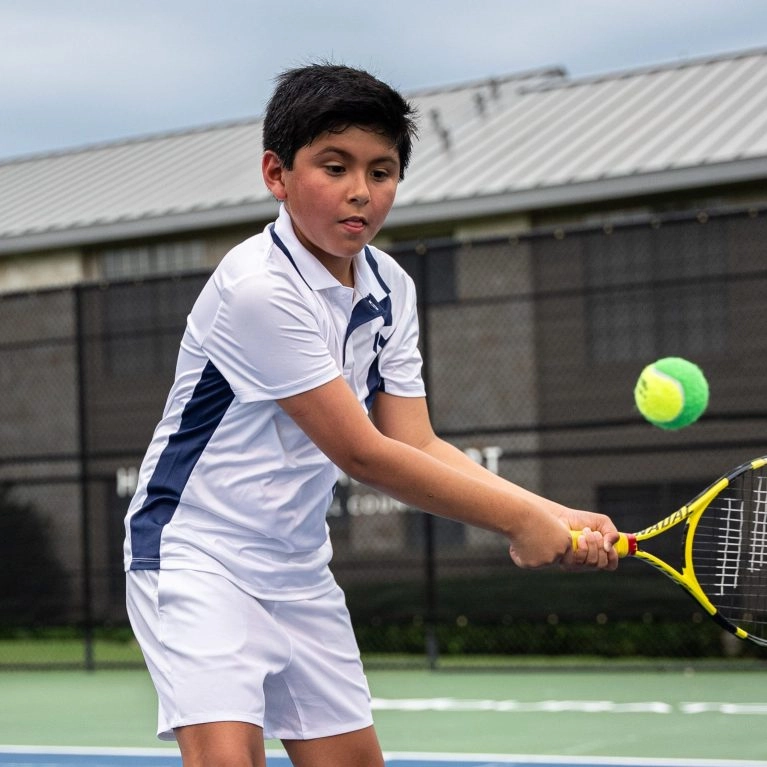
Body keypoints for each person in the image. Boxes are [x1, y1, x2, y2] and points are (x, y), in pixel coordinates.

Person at [123, 63, 620, 767]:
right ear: (277, 173)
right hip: (197, 555)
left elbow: (414, 439)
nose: (360, 191)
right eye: (335, 166)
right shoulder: (257, 289)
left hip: (297, 566)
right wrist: (516, 521)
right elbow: (363, 454)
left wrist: (551, 511)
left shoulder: (391, 285)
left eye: (381, 171)